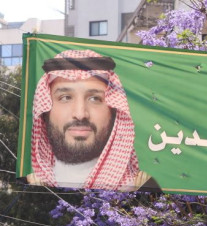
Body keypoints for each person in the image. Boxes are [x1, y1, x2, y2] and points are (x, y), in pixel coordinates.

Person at [24, 49, 158, 191]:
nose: (80, 114)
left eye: (95, 99)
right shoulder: (27, 187)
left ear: (114, 112)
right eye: (65, 98)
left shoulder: (143, 189)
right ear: (45, 112)